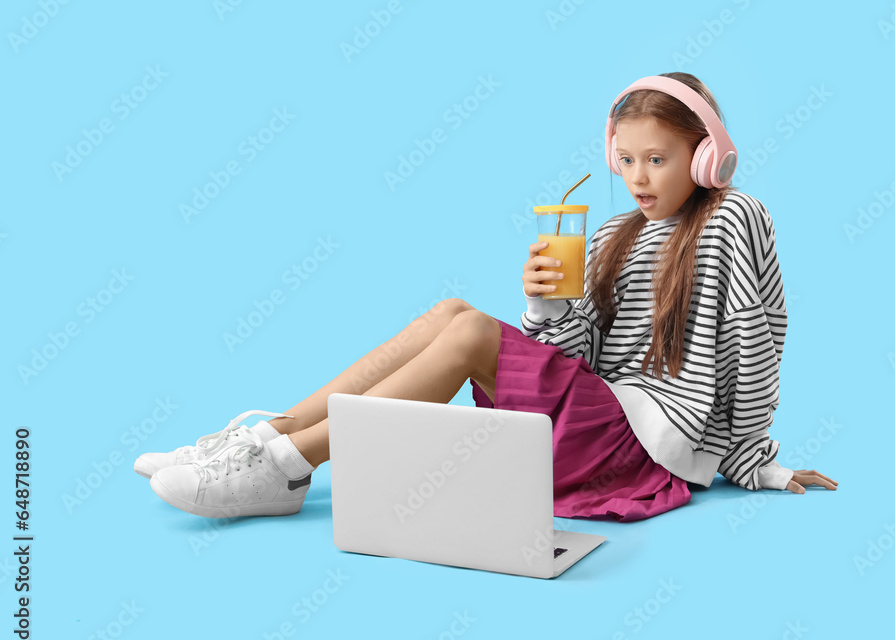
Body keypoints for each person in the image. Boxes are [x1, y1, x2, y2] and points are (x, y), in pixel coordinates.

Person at [135, 71, 837, 521]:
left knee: (471, 336)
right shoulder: (618, 233)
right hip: (593, 418)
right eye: (626, 159)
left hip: (641, 448)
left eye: (658, 158)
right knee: (452, 314)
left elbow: (757, 339)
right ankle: (269, 440)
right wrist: (548, 309)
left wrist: (752, 456)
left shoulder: (731, 217)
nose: (638, 177)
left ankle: (289, 470)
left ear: (708, 157)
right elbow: (575, 358)